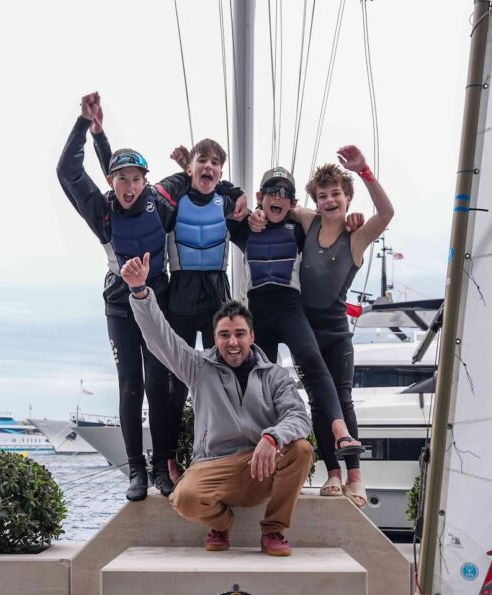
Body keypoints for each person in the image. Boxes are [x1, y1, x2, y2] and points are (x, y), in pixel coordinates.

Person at [122, 253, 314, 556]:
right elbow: (161, 339)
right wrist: (140, 292)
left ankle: (274, 530)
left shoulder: (275, 375)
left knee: (301, 450)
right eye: (225, 335)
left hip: (260, 465)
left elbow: (298, 417)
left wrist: (272, 436)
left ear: (252, 336)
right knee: (184, 499)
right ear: (215, 338)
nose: (233, 342)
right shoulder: (197, 367)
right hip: (213, 466)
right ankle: (221, 523)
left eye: (239, 334)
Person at [96, 139, 248, 486]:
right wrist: (99, 138)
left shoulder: (226, 204)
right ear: (189, 167)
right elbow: (129, 192)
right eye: (201, 161)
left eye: (215, 163)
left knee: (223, 379)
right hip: (176, 297)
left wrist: (242, 199)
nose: (208, 167)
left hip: (215, 298)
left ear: (221, 171)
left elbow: (253, 234)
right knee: (170, 388)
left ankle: (228, 456)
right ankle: (165, 463)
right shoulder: (171, 202)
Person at [57, 92, 177, 502]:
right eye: (121, 179)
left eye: (136, 179)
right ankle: (137, 471)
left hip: (157, 301)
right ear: (111, 182)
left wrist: (239, 208)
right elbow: (67, 172)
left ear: (147, 181)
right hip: (120, 303)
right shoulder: (100, 210)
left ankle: (163, 467)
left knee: (158, 382)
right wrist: (83, 125)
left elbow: (205, 192)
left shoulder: (160, 204)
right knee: (131, 386)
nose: (129, 186)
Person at [232, 167, 365, 485]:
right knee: (256, 381)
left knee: (313, 363)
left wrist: (353, 219)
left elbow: (329, 225)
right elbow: (220, 205)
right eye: (270, 192)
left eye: (284, 193)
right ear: (261, 197)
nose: (277, 197)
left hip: (291, 309)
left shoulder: (298, 229)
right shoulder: (245, 228)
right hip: (259, 313)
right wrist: (245, 207)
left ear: (291, 202)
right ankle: (256, 451)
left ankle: (340, 431)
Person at [285, 145, 394, 508]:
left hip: (336, 330)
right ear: (316, 201)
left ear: (347, 199)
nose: (330, 200)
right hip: (305, 328)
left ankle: (355, 477)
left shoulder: (357, 238)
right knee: (317, 401)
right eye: (323, 195)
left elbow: (387, 212)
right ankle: (332, 473)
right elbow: (281, 206)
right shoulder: (308, 221)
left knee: (343, 398)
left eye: (336, 194)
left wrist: (364, 171)